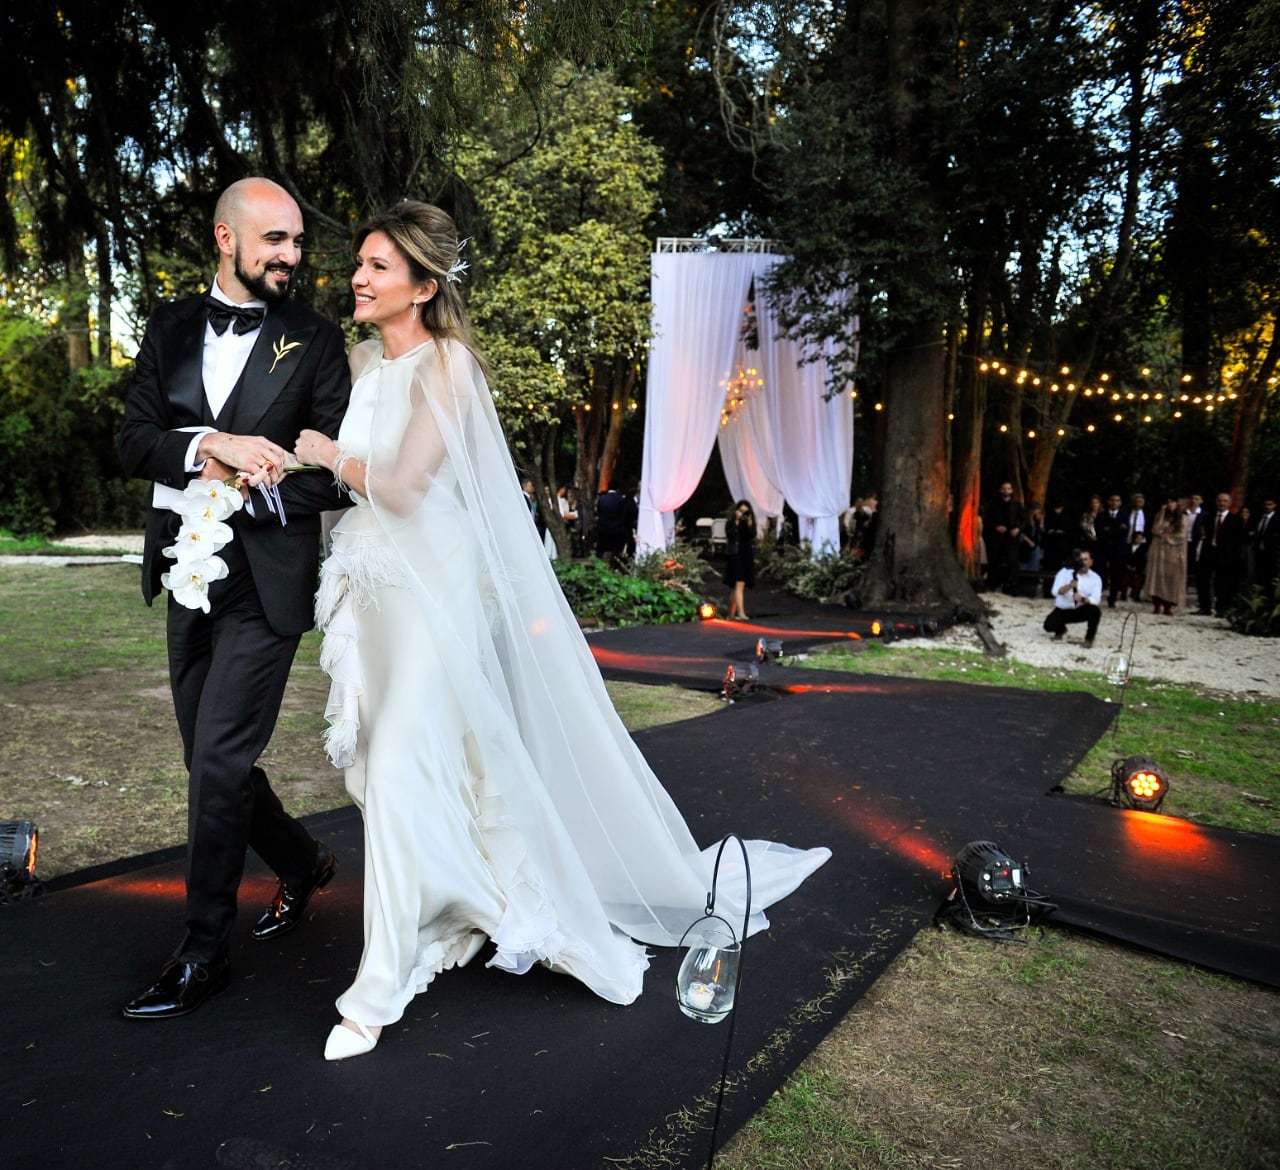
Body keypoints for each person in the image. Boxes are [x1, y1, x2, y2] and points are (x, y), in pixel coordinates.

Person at [292, 202, 829, 1061]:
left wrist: (323, 452)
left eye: (379, 267)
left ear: (425, 287)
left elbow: (398, 487)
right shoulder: (358, 360)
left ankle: (376, 992)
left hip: (434, 589)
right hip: (373, 596)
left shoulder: (451, 365)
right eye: (358, 262)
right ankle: (463, 901)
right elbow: (337, 470)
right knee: (401, 770)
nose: (359, 276)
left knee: (396, 768)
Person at [116, 177, 351, 1020]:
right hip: (187, 569)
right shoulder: (172, 326)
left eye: (297, 242)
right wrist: (209, 443)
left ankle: (201, 951)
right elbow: (132, 438)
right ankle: (301, 861)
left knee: (217, 761)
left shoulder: (317, 341)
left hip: (266, 580)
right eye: (275, 241)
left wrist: (269, 479)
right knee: (208, 762)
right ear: (226, 239)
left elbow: (338, 474)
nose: (292, 255)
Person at [1192, 493, 1244, 616]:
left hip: (1225, 555)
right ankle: (1205, 607)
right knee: (1203, 579)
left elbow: (1238, 540)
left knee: (1223, 582)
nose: (1222, 503)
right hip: (1209, 552)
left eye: (1225, 501)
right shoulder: (1208, 517)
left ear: (1229, 503)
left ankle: (1222, 608)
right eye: (1220, 501)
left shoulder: (1235, 519)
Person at [1042, 549, 1103, 647]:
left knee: (1095, 611)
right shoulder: (1064, 572)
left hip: (1080, 609)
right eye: (1080, 559)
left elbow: (1096, 600)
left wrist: (1082, 599)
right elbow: (1054, 592)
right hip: (1064, 609)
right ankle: (1060, 630)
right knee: (1048, 625)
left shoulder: (1095, 578)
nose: (1082, 563)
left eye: (1085, 560)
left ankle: (1089, 639)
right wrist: (1069, 586)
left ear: (1091, 562)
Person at [1143, 497, 1187, 615]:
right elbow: (1156, 530)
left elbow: (1181, 535)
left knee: (1170, 578)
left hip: (1173, 550)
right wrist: (1162, 513)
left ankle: (1168, 606)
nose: (1169, 504)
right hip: (1158, 549)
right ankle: (1156, 604)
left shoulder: (1182, 517)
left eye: (1172, 502)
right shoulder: (1160, 515)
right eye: (1167, 502)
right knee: (1157, 576)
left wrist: (1166, 537)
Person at [982, 481, 1025, 593]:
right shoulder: (993, 504)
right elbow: (987, 520)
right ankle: (992, 584)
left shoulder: (1016, 504)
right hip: (996, 537)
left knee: (1012, 561)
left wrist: (1018, 529)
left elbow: (1025, 520)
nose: (1006, 491)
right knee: (994, 560)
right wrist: (996, 527)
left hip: (1011, 537)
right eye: (1004, 488)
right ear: (1000, 490)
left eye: (1008, 488)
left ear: (1011, 490)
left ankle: (1012, 586)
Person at [1094, 493, 1130, 607]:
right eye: (1112, 500)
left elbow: (1125, 531)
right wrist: (1117, 528)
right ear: (1109, 502)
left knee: (1117, 573)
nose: (1114, 502)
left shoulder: (1125, 515)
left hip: (1118, 548)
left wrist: (1109, 529)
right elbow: (1099, 530)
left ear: (1120, 502)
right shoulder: (1101, 515)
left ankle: (1113, 597)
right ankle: (1096, 595)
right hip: (1103, 547)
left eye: (1117, 500)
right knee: (1100, 571)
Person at [724, 499, 757, 620]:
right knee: (739, 582)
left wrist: (748, 523)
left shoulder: (748, 521)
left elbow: (752, 535)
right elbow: (730, 535)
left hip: (746, 554)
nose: (742, 513)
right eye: (740, 511)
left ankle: (731, 614)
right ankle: (741, 613)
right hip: (735, 554)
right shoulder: (731, 522)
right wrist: (737, 521)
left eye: (745, 512)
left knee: (736, 585)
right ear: (736, 510)